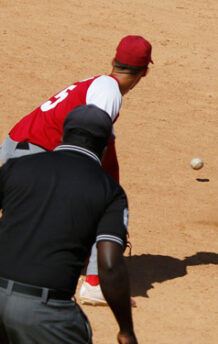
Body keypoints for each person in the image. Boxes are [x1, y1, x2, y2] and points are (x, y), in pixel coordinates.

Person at [0, 35, 153, 305]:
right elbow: (91, 134)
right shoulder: (108, 92)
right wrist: (108, 196)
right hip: (35, 149)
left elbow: (104, 144)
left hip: (23, 145)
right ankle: (95, 283)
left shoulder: (100, 84)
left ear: (113, 61)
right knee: (95, 201)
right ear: (145, 72)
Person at [0, 105, 138, 344]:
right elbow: (109, 265)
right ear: (106, 146)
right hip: (46, 314)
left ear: (63, 135)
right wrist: (126, 328)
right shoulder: (108, 190)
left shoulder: (17, 167)